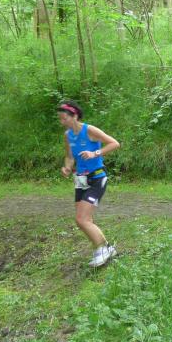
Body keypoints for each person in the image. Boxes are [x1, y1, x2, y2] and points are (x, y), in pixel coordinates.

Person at [57, 100, 121, 267]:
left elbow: (114, 143)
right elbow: (70, 156)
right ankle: (105, 249)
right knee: (84, 220)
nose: (62, 122)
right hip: (80, 181)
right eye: (60, 119)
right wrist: (67, 167)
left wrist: (95, 153)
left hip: (97, 178)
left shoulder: (89, 130)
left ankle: (103, 249)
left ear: (74, 116)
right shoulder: (68, 135)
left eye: (64, 118)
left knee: (82, 219)